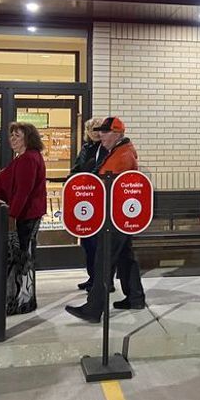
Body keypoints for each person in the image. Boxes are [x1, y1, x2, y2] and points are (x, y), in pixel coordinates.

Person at [66, 116, 146, 323]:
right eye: (100, 131)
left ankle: (93, 309)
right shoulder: (118, 151)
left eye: (105, 131)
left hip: (113, 217)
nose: (101, 134)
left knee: (104, 260)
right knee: (125, 257)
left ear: (117, 134)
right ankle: (135, 297)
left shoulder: (122, 156)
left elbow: (107, 185)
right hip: (118, 216)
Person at [0, 122, 48, 315]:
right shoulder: (23, 157)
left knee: (23, 259)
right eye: (11, 135)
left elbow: (23, 191)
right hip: (21, 215)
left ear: (28, 138)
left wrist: (11, 216)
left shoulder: (29, 159)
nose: (12, 139)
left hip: (25, 217)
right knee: (21, 259)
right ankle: (19, 298)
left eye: (17, 135)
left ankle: (22, 300)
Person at [71, 117, 108, 291]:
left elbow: (98, 170)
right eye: (91, 128)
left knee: (97, 243)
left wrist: (87, 180)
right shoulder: (85, 148)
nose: (94, 131)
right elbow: (77, 168)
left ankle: (101, 280)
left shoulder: (106, 149)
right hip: (84, 198)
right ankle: (92, 276)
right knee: (86, 241)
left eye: (97, 128)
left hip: (98, 199)